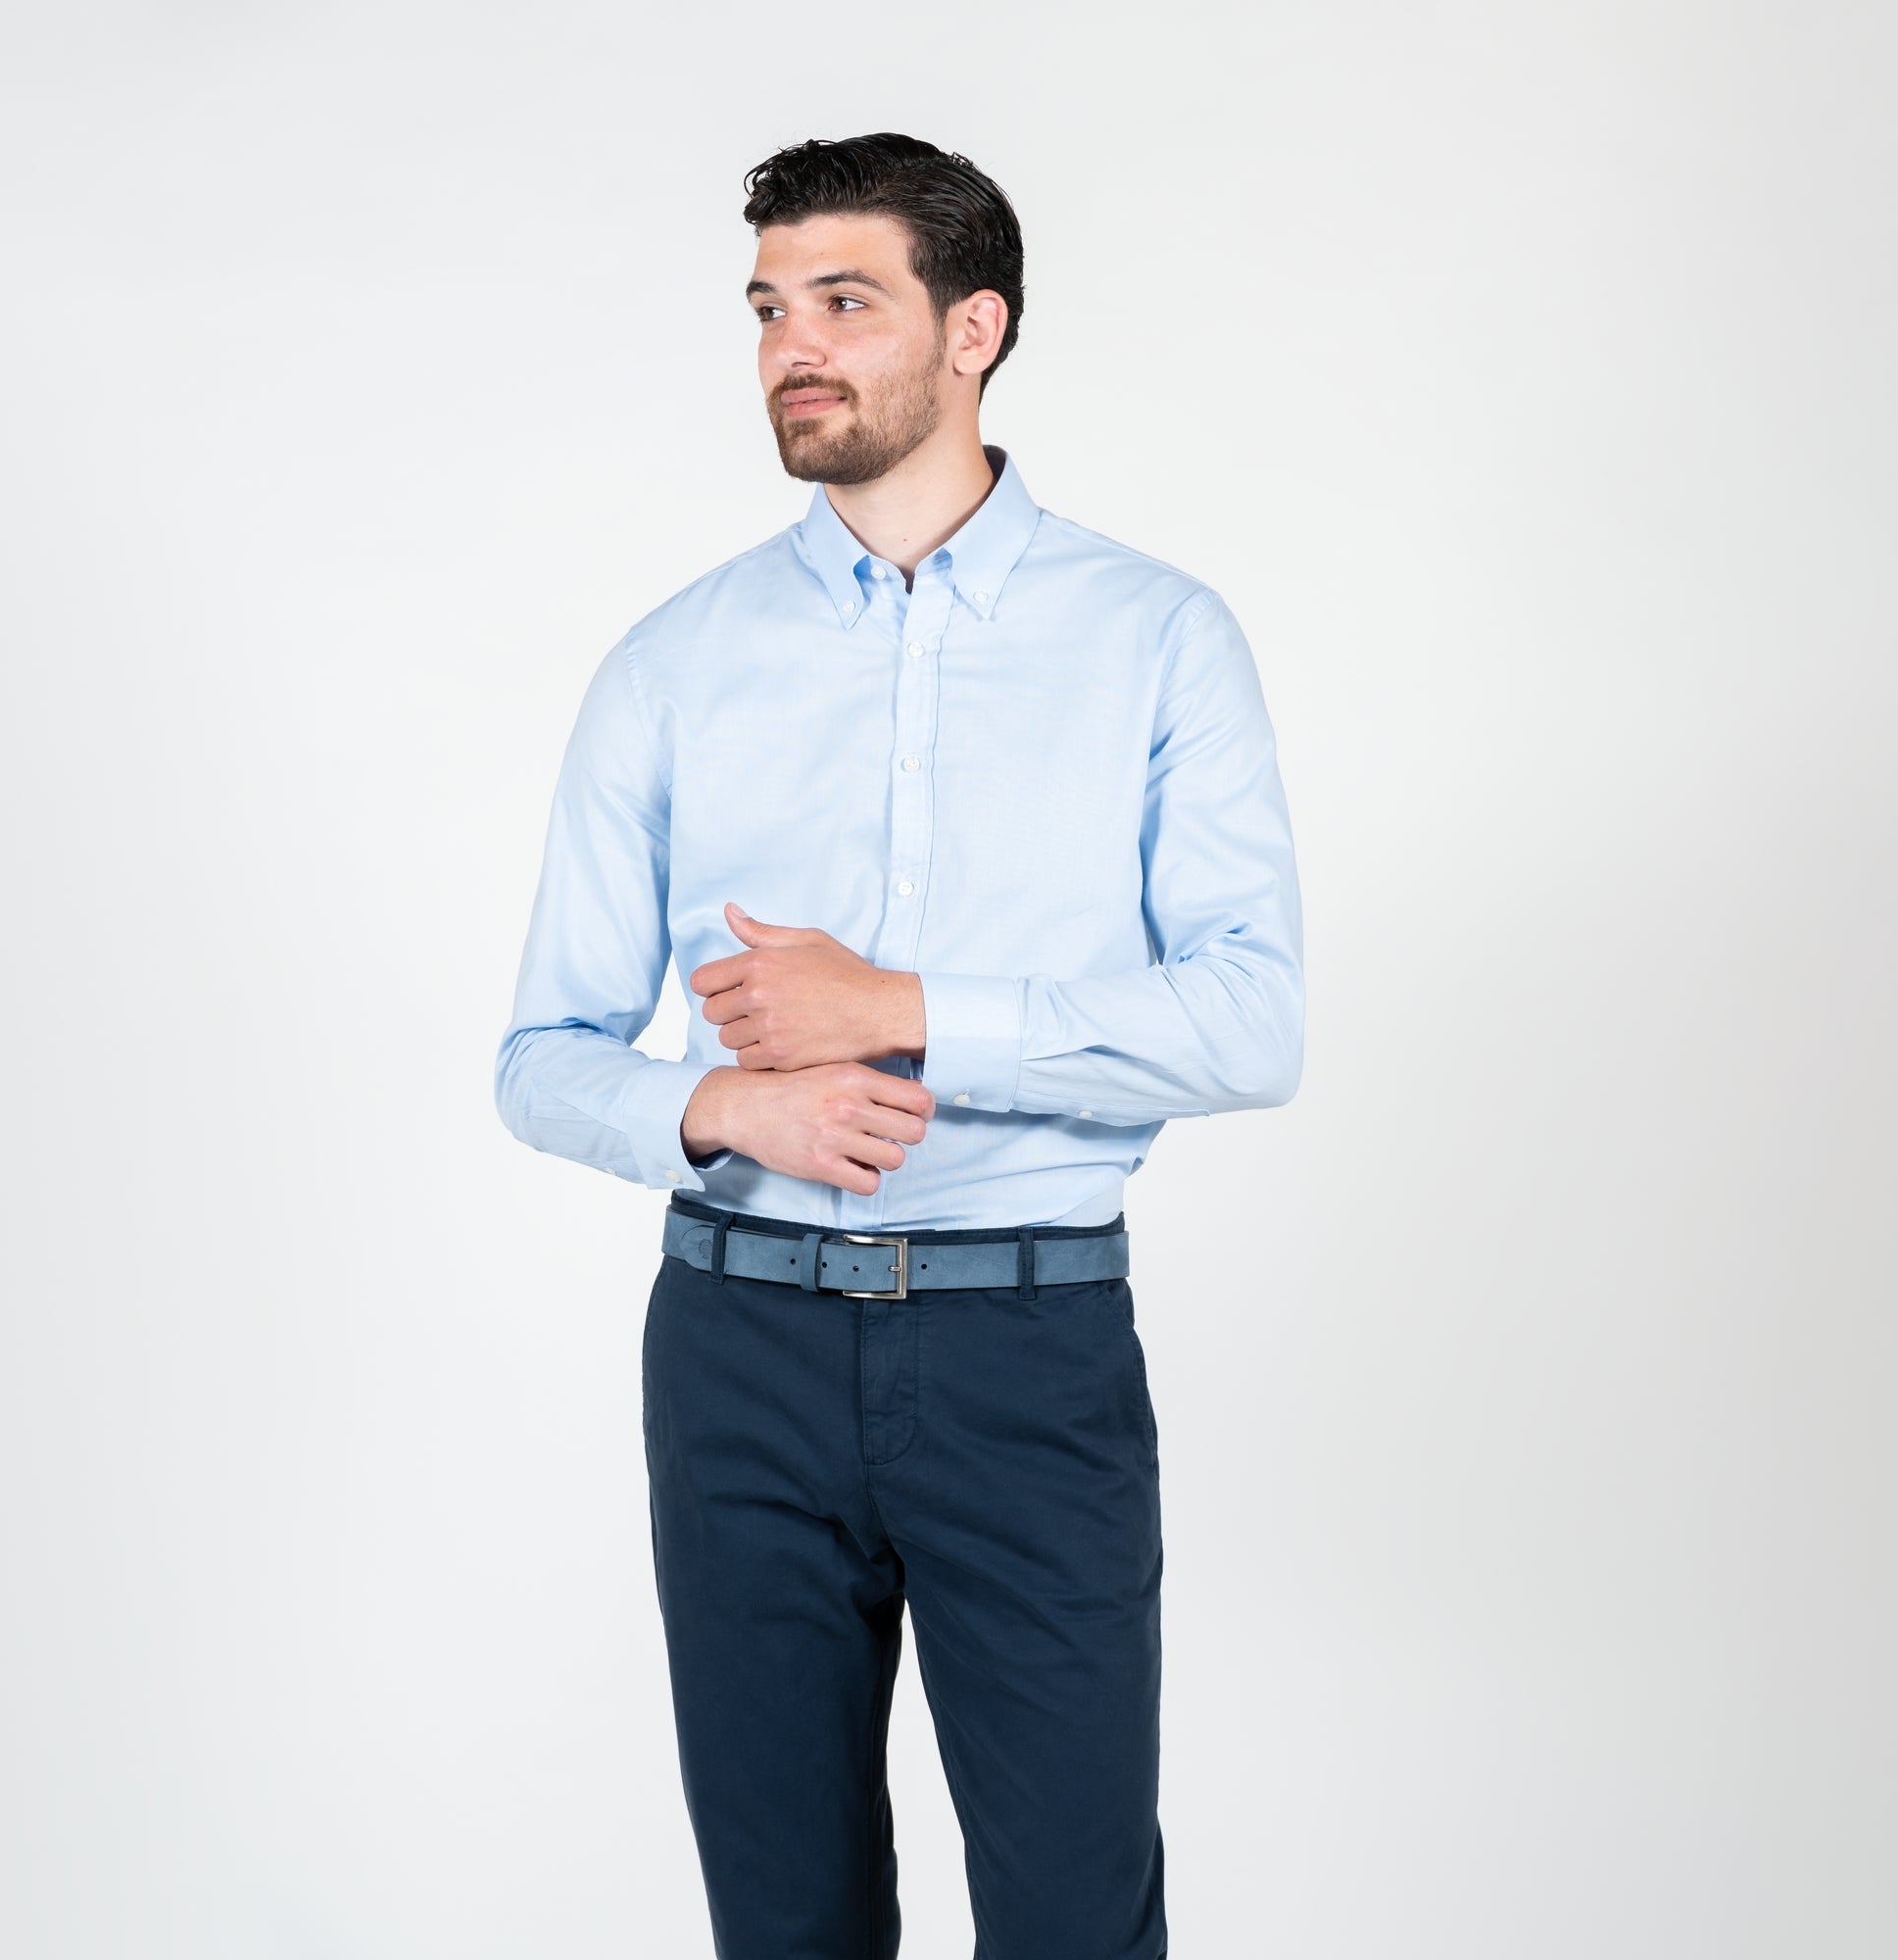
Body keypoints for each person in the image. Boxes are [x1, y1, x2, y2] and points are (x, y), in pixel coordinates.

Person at [494, 130, 1304, 1960]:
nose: (793, 346)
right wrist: (721, 1103)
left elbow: (1254, 1020)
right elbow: (541, 1053)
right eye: (769, 307)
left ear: (973, 330)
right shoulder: (674, 661)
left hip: (1028, 1353)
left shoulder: (1158, 640)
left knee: (1076, 1922)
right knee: (784, 1925)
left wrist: (906, 1011)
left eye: (845, 301)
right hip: (740, 1357)